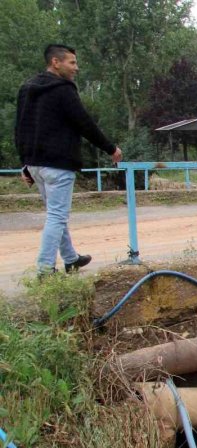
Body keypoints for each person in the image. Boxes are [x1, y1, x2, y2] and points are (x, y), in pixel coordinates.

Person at [15, 44, 123, 275]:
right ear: (56, 62)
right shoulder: (63, 89)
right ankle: (45, 268)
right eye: (72, 62)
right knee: (57, 215)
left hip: (35, 163)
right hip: (58, 163)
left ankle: (71, 258)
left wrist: (24, 164)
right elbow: (84, 122)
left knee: (56, 212)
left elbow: (20, 127)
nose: (76, 67)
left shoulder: (27, 88)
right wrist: (110, 148)